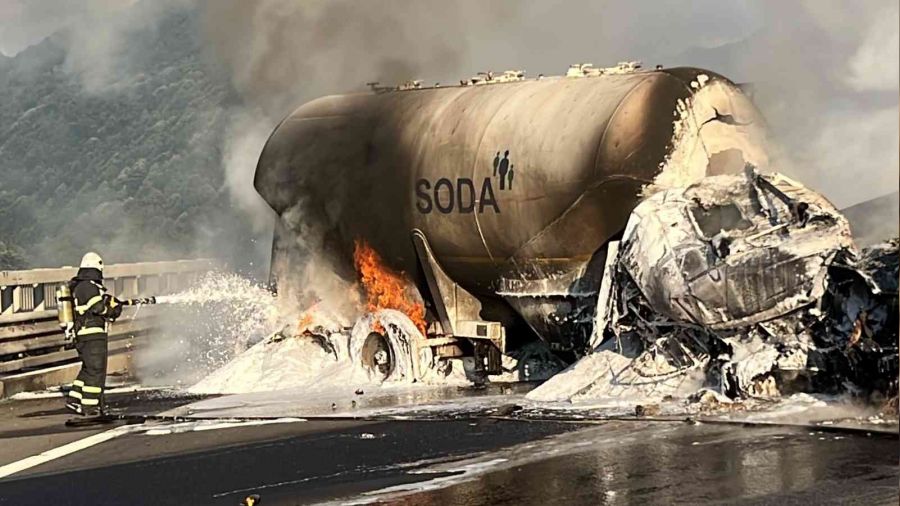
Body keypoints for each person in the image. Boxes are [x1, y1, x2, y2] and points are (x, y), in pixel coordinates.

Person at [65, 252, 122, 416]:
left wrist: (110, 303)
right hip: (92, 334)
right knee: (96, 370)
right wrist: (110, 310)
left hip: (87, 334)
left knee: (89, 369)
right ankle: (90, 407)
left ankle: (74, 400)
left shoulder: (83, 285)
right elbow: (97, 308)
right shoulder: (88, 286)